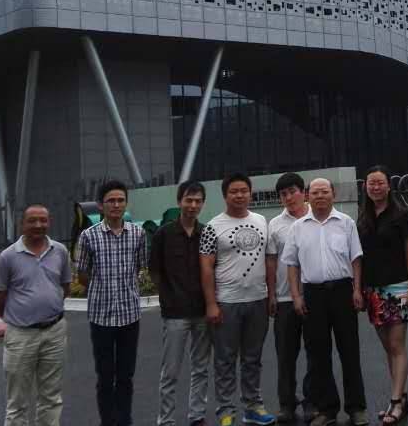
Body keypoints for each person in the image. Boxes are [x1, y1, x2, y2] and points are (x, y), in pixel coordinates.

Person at [282, 178, 369, 426]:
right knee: (318, 354)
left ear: (333, 194)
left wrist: (357, 289)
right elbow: (292, 265)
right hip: (313, 294)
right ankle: (327, 409)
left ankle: (356, 408)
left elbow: (356, 258)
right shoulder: (298, 227)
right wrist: (296, 296)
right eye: (315, 192)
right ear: (307, 196)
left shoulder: (346, 222)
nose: (320, 196)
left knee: (349, 351)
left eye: (324, 191)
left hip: (342, 291)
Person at [199, 173, 276, 426]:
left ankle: (253, 406)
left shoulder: (261, 221)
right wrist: (211, 303)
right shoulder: (212, 226)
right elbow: (206, 267)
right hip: (227, 302)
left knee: (253, 359)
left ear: (250, 193)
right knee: (225, 360)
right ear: (225, 195)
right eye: (234, 191)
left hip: (258, 300)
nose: (240, 195)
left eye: (244, 190)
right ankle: (226, 412)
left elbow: (269, 260)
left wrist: (271, 294)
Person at [0, 204, 73, 426]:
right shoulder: (8, 257)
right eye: (32, 220)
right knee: (17, 402)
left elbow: (65, 287)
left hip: (55, 332)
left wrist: (47, 307)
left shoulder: (60, 251)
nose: (38, 225)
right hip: (21, 336)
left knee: (51, 397)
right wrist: (18, 318)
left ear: (49, 222)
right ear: (22, 224)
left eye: (43, 220)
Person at [77, 180, 149, 426]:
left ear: (126, 203)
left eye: (120, 200)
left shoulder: (138, 234)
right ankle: (108, 421)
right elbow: (83, 274)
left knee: (126, 376)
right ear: (100, 205)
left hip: (130, 315)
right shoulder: (88, 236)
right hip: (101, 317)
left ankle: (125, 420)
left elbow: (139, 267)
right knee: (105, 377)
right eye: (111, 201)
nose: (116, 205)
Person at [357, 166, 408, 425]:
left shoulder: (401, 215)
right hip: (373, 289)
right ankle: (401, 396)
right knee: (387, 348)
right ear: (365, 186)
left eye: (380, 182)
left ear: (389, 186)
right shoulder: (363, 216)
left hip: (398, 287)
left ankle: (395, 401)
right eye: (371, 183)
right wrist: (359, 288)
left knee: (397, 346)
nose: (375, 187)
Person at [151, 181, 212, 426]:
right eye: (189, 200)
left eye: (198, 201)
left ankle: (197, 416)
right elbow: (155, 272)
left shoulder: (206, 233)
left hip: (202, 311)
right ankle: (166, 420)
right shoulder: (163, 234)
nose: (193, 205)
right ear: (179, 202)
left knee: (201, 368)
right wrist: (168, 297)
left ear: (202, 204)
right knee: (170, 372)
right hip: (175, 313)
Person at [265, 173, 314, 423]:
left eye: (292, 191)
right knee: (285, 355)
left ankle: (312, 401)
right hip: (284, 299)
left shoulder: (317, 217)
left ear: (303, 192)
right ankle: (286, 403)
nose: (288, 197)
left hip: (315, 296)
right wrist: (271, 294)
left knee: (316, 352)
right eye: (283, 194)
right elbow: (271, 262)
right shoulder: (275, 225)